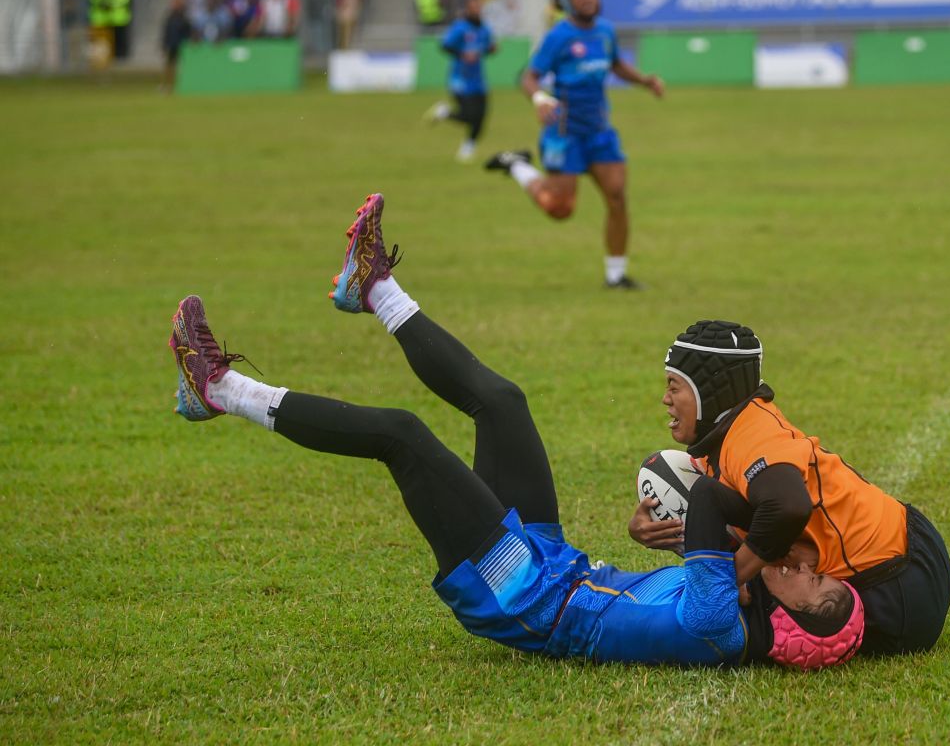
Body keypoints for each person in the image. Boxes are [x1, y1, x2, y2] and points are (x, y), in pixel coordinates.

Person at [167, 193, 865, 670]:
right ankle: (372, 287)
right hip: (560, 567)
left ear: (792, 627)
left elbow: (710, 500)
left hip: (527, 598)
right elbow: (708, 519)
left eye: (814, 590)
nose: (807, 571)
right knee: (503, 402)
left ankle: (222, 390)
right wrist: (744, 543)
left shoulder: (722, 620)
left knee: (403, 437)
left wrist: (754, 535)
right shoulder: (733, 600)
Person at [628, 320, 950, 656]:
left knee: (734, 620)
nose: (665, 399)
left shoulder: (752, 435)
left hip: (898, 589)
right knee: (693, 489)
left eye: (674, 386)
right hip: (907, 546)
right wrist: (651, 528)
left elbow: (788, 506)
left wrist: (730, 579)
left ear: (708, 391)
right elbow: (715, 510)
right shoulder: (729, 434)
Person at [484, 0, 664, 290]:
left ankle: (616, 276)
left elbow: (616, 64)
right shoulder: (559, 36)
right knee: (560, 209)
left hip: (598, 130)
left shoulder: (605, 30)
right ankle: (518, 166)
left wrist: (645, 81)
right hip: (564, 133)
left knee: (617, 197)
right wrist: (539, 97)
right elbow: (528, 76)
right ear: (568, 0)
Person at [423, 0, 496, 163]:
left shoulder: (484, 28)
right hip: (460, 79)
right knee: (469, 115)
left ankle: (468, 146)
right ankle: (445, 112)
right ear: (467, 6)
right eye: (474, 3)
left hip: (478, 79)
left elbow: (487, 47)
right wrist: (462, 54)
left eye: (479, 3)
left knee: (482, 116)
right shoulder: (460, 27)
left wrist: (490, 49)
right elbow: (445, 45)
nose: (478, 6)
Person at [161, 0, 191, 91]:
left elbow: (187, 31)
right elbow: (166, 31)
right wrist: (164, 44)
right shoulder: (170, 17)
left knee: (180, 66)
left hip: (180, 45)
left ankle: (178, 85)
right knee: (169, 66)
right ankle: (167, 85)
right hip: (171, 44)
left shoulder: (183, 17)